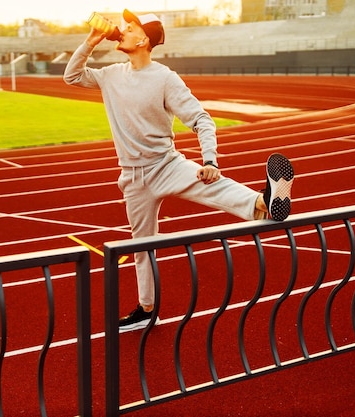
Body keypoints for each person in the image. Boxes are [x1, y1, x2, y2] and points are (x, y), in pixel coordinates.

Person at [63, 9, 294, 331]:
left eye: (128, 28)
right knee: (140, 244)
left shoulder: (165, 78)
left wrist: (210, 160)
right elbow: (72, 76)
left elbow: (202, 119)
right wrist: (91, 40)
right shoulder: (111, 74)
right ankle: (146, 309)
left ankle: (264, 202)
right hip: (133, 177)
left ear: (143, 39)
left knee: (213, 184)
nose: (121, 30)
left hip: (166, 164)